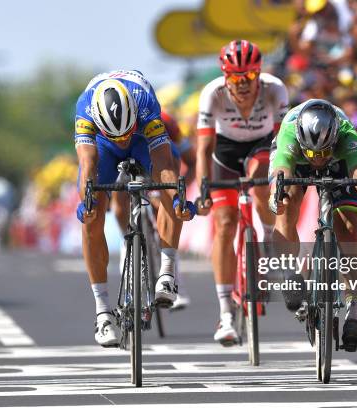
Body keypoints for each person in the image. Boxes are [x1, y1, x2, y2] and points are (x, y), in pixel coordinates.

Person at [74, 70, 196, 347]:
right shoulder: (85, 112)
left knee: (171, 185)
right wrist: (88, 202)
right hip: (102, 145)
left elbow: (164, 162)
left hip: (142, 135)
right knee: (91, 216)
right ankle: (102, 312)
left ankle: (167, 272)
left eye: (124, 135)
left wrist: (177, 198)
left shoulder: (145, 103)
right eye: (118, 137)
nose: (122, 142)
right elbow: (88, 164)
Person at [269, 99, 357, 352]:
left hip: (340, 162)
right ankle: (290, 274)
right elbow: (281, 169)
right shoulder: (290, 132)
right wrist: (274, 196)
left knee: (349, 228)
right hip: (295, 161)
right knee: (286, 201)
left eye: (323, 153)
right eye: (314, 154)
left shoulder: (346, 134)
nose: (318, 160)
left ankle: (353, 314)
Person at [195, 40, 289, 346]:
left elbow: (284, 143)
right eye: (236, 78)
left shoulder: (275, 90)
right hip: (225, 152)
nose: (243, 84)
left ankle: (266, 242)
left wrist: (284, 180)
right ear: (225, 77)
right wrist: (204, 187)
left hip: (263, 147)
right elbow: (204, 147)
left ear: (259, 74)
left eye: (249, 77)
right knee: (224, 224)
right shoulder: (213, 93)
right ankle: (225, 314)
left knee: (260, 180)